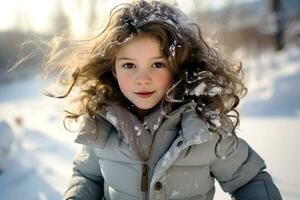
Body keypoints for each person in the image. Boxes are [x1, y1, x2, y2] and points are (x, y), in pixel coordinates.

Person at [44, 1, 282, 199]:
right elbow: (87, 176)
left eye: (158, 64)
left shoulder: (203, 129)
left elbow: (248, 180)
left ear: (178, 67)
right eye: (129, 65)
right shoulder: (103, 125)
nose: (142, 79)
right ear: (114, 70)